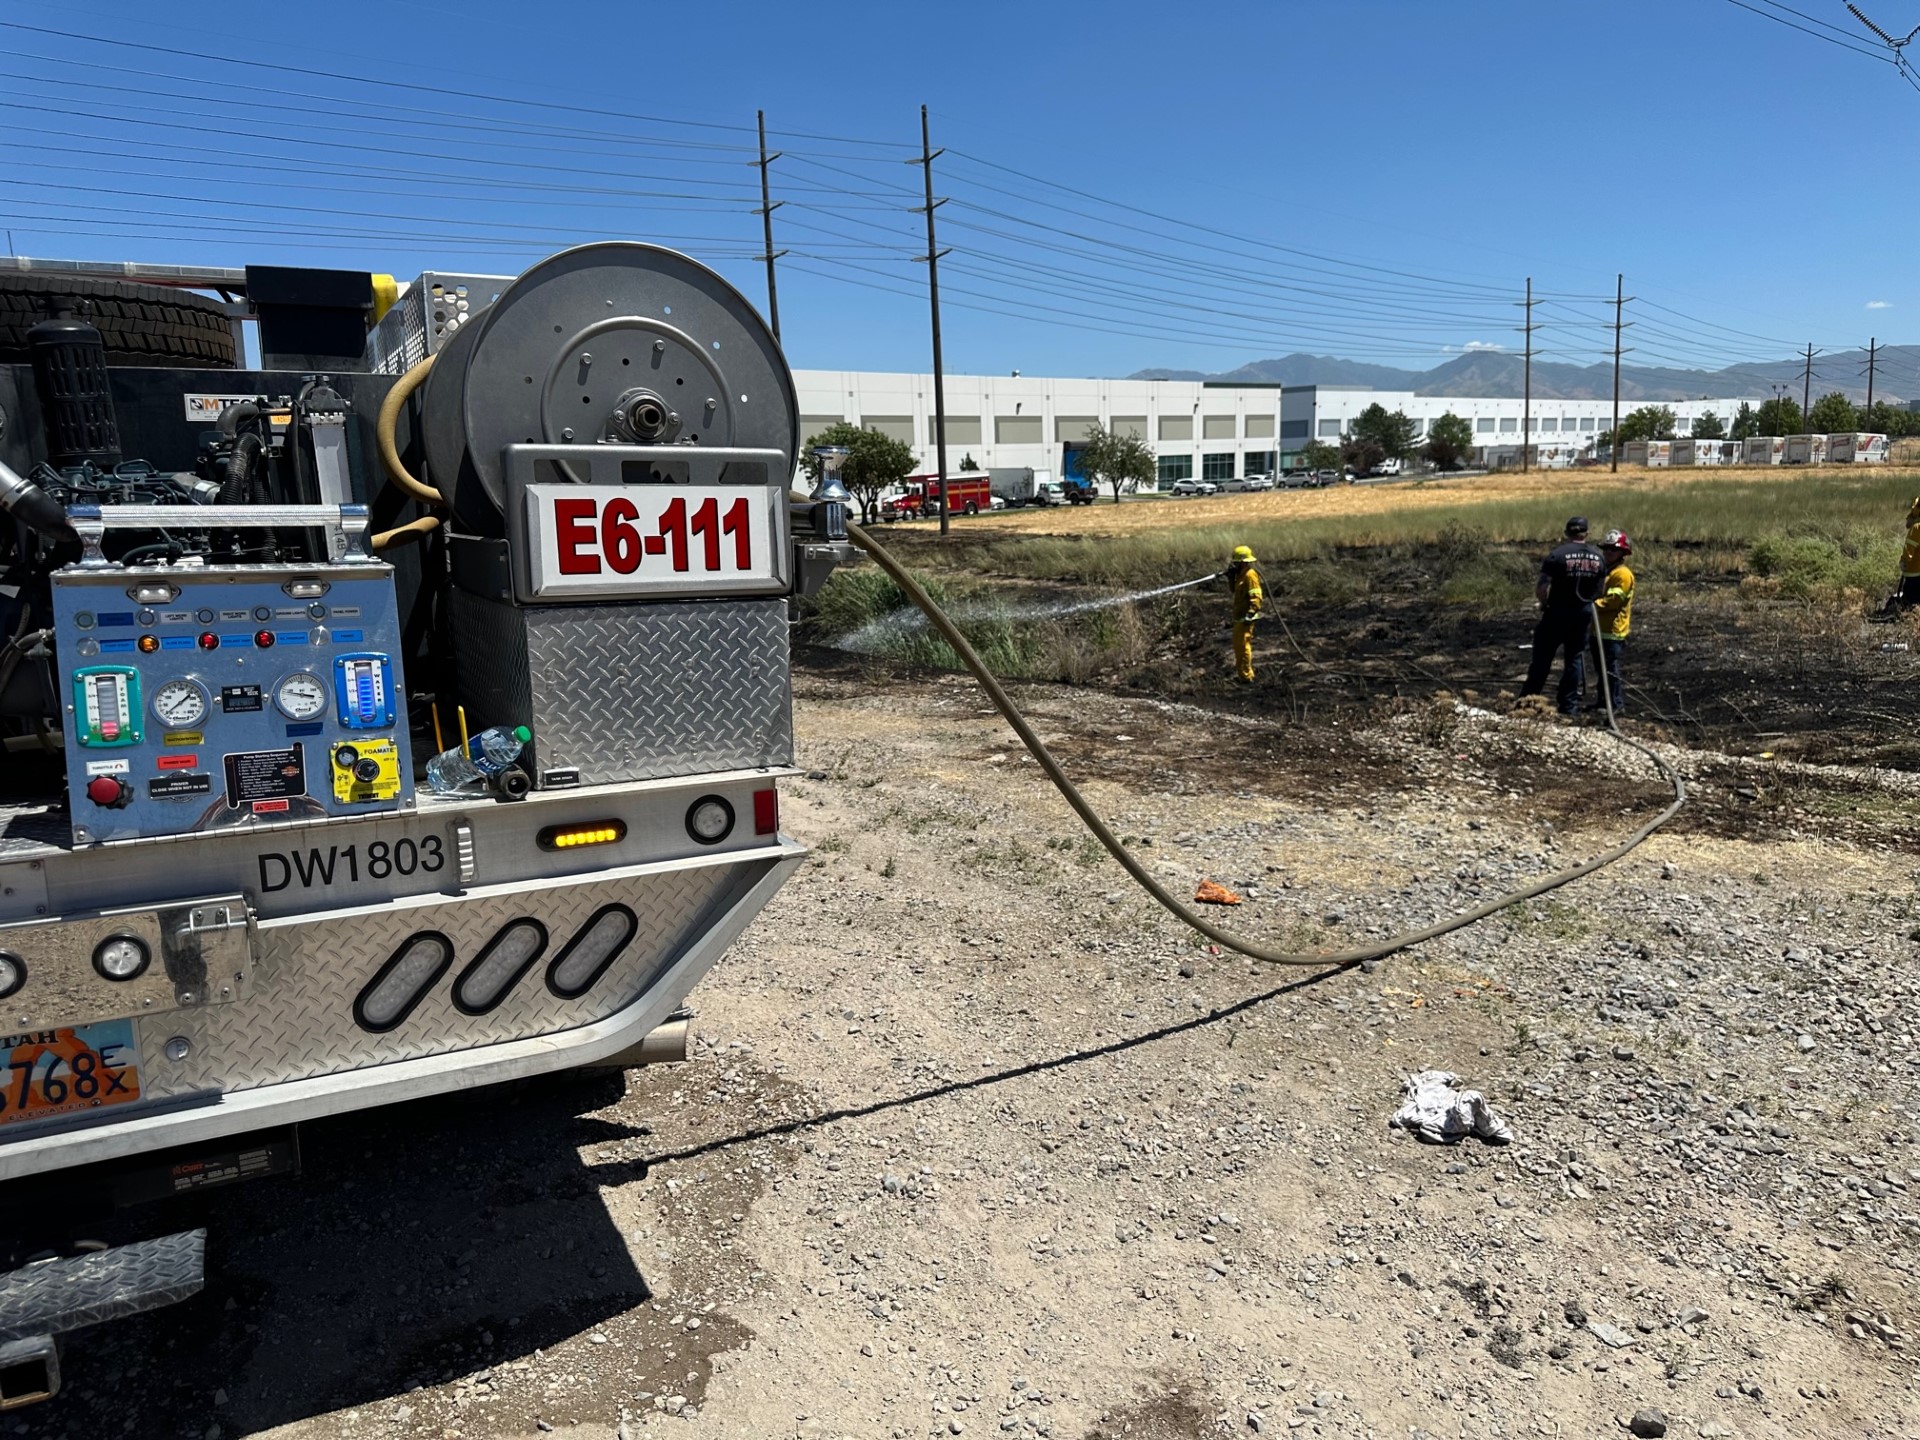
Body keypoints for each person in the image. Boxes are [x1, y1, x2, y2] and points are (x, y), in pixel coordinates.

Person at [1520, 516, 1606, 716]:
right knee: (1574, 659)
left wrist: (1544, 603)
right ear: (1586, 534)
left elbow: (1542, 587)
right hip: (1583, 613)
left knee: (1542, 659)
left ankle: (1527, 702)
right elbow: (1600, 589)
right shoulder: (1598, 557)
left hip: (1557, 612)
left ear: (1567, 533)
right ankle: (1569, 707)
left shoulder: (1557, 555)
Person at [1591, 529, 1634, 717]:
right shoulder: (1607, 572)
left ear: (1622, 553)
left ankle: (1616, 705)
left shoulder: (1622, 575)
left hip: (1612, 632)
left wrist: (1590, 605)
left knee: (1610, 671)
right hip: (1598, 630)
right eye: (1606, 550)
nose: (1608, 554)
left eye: (1613, 550)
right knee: (1602, 670)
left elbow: (1612, 601)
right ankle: (1603, 702)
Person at [1226, 545, 1264, 683]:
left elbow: (1256, 596)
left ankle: (1246, 677)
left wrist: (1251, 612)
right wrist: (1231, 578)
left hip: (1246, 618)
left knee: (1243, 647)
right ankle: (1243, 674)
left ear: (1242, 562)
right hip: (1239, 617)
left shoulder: (1250, 575)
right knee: (1238, 647)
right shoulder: (1241, 575)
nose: (1234, 565)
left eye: (1236, 562)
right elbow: (1234, 591)